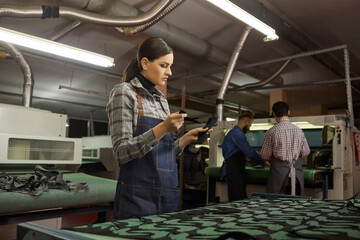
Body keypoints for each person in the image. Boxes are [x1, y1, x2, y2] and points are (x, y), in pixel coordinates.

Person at [106, 37, 211, 219]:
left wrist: (185, 140)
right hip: (137, 196)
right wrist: (163, 128)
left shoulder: (162, 101)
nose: (169, 72)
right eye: (164, 65)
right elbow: (121, 152)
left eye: (170, 66)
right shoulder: (124, 92)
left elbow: (162, 152)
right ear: (145, 63)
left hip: (167, 195)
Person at [260, 101, 310, 196]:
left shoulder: (271, 132)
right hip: (296, 174)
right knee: (295, 203)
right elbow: (306, 151)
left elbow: (265, 155)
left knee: (276, 203)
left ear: (274, 114)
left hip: (278, 174)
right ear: (289, 112)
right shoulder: (299, 131)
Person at [222, 111, 264, 201]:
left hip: (233, 169)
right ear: (245, 122)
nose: (249, 128)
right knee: (238, 198)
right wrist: (263, 160)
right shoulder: (237, 133)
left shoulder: (232, 133)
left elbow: (240, 152)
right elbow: (249, 151)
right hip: (235, 170)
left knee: (235, 196)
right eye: (249, 125)